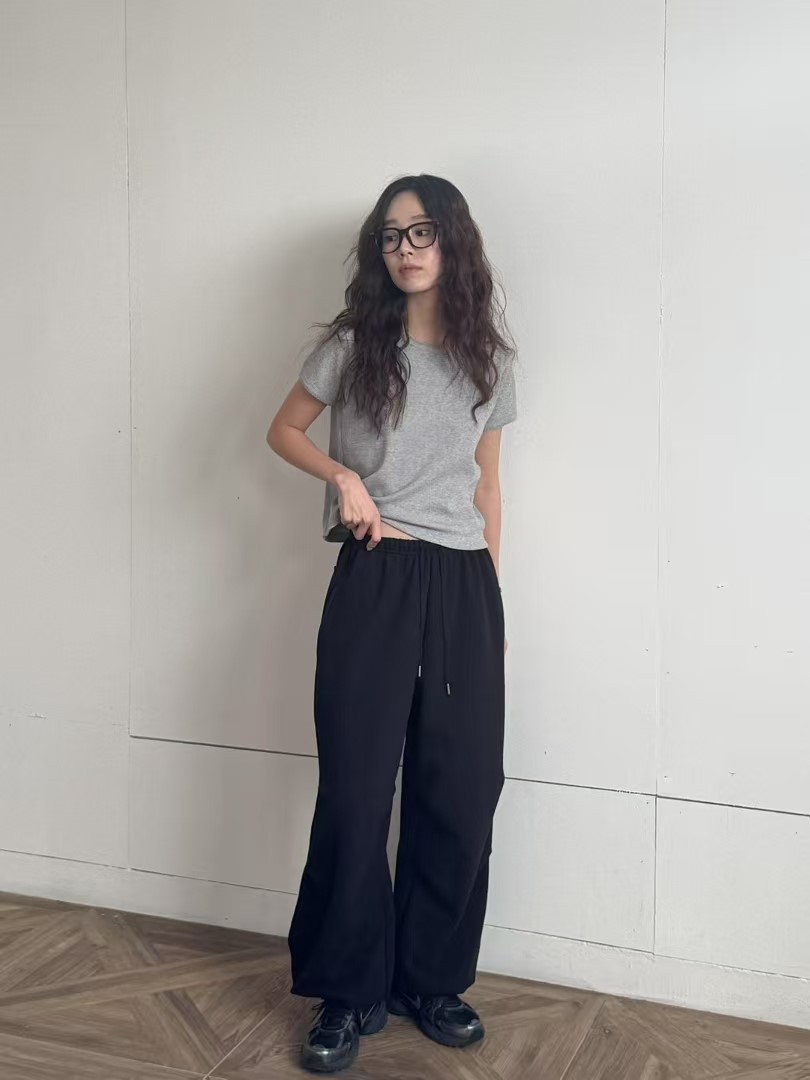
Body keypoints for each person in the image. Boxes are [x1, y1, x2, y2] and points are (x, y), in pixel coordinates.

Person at [266, 173, 517, 1074]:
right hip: (376, 572)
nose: (405, 249)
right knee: (357, 792)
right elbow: (284, 430)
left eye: (422, 232)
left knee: (462, 790)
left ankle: (430, 981)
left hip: (463, 585)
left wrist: (491, 599)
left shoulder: (488, 358)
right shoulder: (353, 345)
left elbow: (489, 484)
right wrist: (344, 478)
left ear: (453, 240)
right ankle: (348, 990)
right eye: (391, 236)